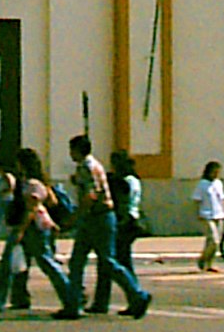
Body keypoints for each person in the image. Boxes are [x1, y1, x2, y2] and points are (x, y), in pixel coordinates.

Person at [0, 147, 80, 315]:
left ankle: (71, 300)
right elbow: (52, 202)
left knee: (43, 263)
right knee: (13, 263)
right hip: (35, 227)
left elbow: (30, 210)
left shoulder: (32, 184)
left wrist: (21, 230)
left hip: (31, 228)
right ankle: (13, 298)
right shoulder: (40, 182)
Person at [67, 134, 150, 320]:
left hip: (97, 218)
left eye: (72, 149)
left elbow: (91, 195)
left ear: (79, 150)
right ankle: (73, 303)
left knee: (106, 261)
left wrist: (75, 217)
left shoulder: (87, 167)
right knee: (81, 260)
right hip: (96, 217)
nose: (70, 153)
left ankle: (137, 295)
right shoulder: (91, 166)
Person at [90, 150, 144, 315]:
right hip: (129, 222)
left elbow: (122, 202)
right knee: (115, 262)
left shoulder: (124, 181)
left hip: (123, 223)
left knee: (113, 262)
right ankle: (104, 301)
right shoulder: (134, 180)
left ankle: (134, 298)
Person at [194, 160, 224, 272]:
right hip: (206, 214)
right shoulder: (202, 184)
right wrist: (198, 213)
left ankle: (210, 263)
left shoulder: (218, 183)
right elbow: (197, 200)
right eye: (214, 172)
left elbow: (222, 199)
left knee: (215, 243)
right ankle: (203, 259)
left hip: (219, 214)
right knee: (214, 240)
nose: (216, 174)